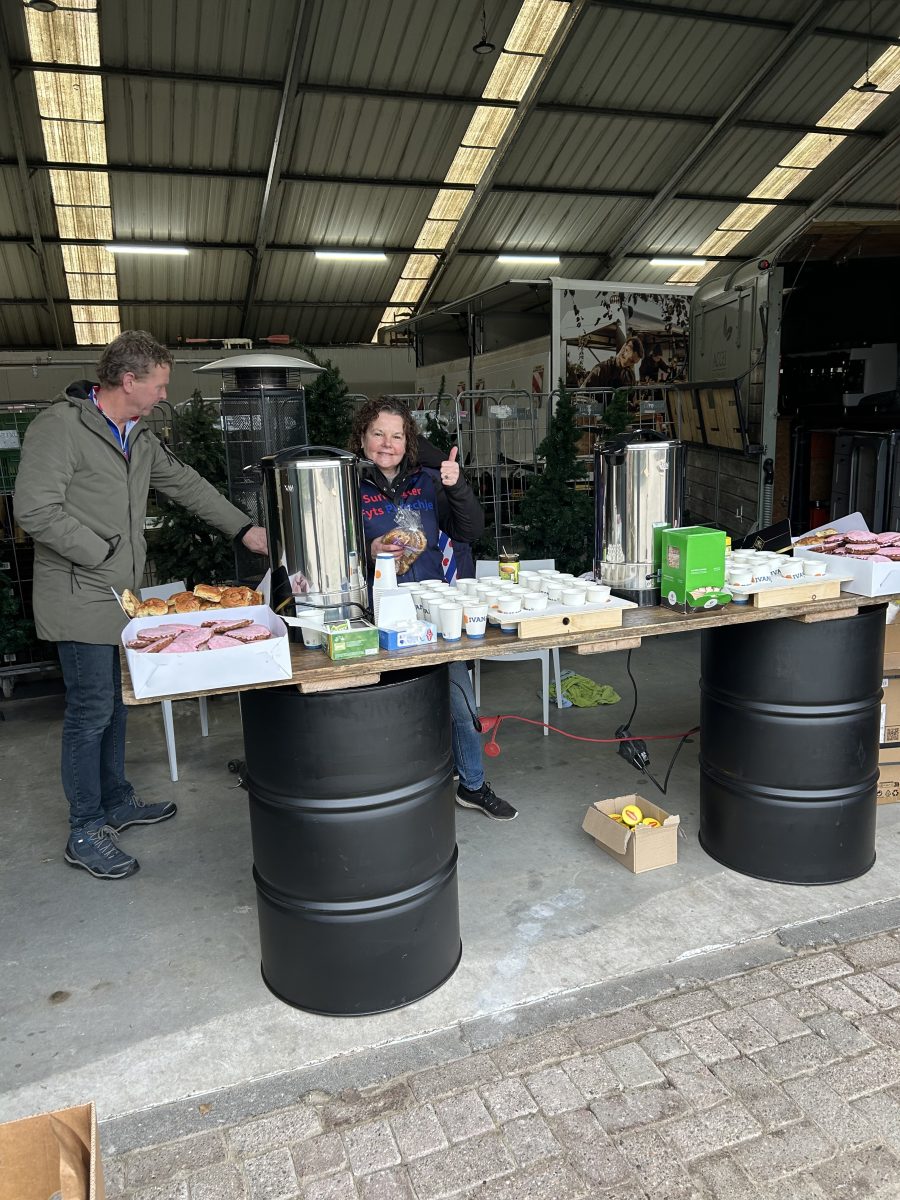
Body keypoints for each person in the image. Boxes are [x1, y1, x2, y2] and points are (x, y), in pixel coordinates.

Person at [14, 330, 269, 880]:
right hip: (78, 594)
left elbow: (188, 486)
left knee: (115, 703)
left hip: (119, 599)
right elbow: (34, 509)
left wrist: (244, 529)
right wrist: (101, 552)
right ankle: (85, 828)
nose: (163, 395)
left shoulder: (139, 436)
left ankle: (116, 801)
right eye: (159, 385)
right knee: (90, 711)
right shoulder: (60, 428)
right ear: (128, 380)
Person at [350, 398, 516, 821]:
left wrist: (456, 485)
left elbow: (470, 529)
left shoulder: (427, 481)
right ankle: (394, 796)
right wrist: (370, 548)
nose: (387, 444)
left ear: (409, 441)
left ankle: (472, 786)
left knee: (460, 704)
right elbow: (335, 552)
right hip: (373, 616)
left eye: (396, 435)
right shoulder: (348, 484)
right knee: (384, 709)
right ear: (362, 437)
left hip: (431, 613)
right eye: (378, 434)